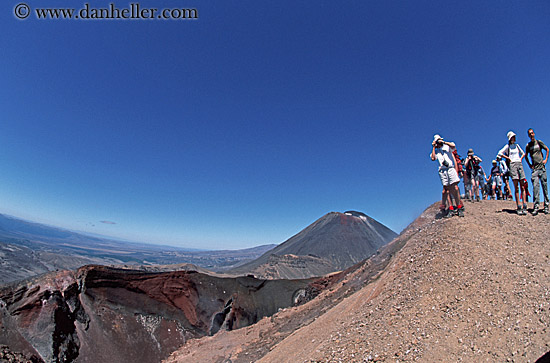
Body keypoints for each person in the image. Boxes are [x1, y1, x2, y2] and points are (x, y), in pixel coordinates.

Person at [431, 134, 464, 217]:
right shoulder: (437, 151)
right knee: (447, 189)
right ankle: (451, 208)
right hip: (442, 170)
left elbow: (453, 146)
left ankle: (459, 206)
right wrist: (434, 147)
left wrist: (444, 142)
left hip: (450, 168)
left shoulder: (447, 147)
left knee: (455, 187)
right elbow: (433, 158)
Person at [498, 131, 527, 215]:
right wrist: (508, 158)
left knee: (522, 185)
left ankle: (524, 204)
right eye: (512, 137)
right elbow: (500, 153)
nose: (514, 138)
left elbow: (523, 153)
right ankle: (518, 206)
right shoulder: (508, 147)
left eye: (514, 137)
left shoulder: (517, 146)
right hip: (513, 165)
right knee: (516, 186)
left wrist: (520, 158)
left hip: (519, 164)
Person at [525, 128, 549, 215]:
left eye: (532, 133)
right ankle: (536, 207)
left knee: (544, 187)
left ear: (534, 134)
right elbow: (526, 156)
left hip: (542, 168)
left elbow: (547, 149)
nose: (531, 135)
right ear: (528, 135)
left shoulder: (539, 142)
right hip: (534, 169)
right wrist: (530, 165)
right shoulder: (528, 145)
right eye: (529, 134)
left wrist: (546, 159)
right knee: (535, 188)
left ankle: (546, 206)